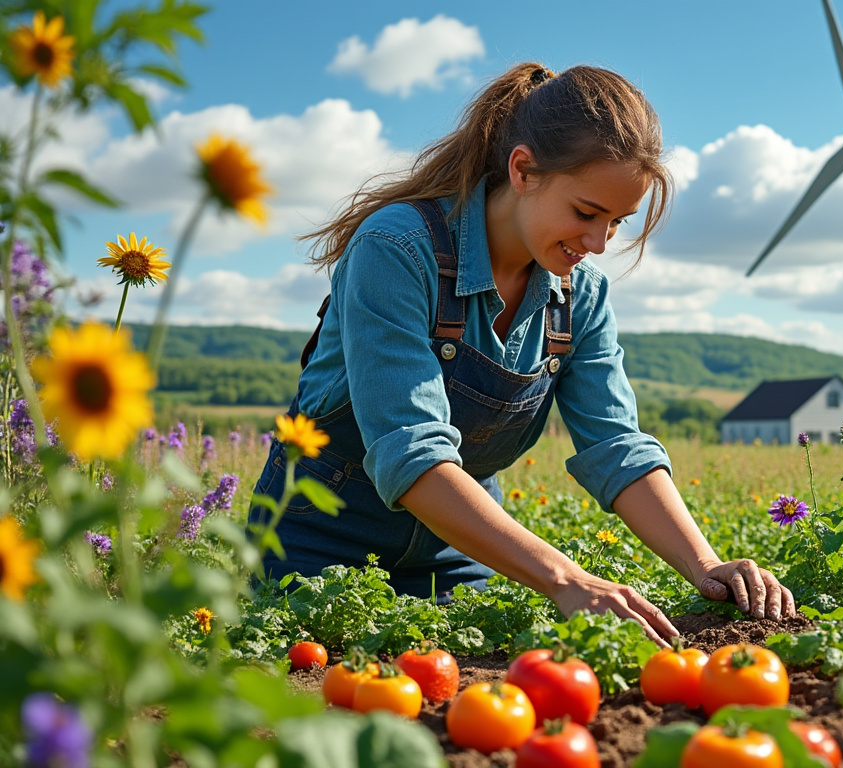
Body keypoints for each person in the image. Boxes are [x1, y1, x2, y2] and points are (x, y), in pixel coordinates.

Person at [247, 62, 794, 643]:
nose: (598, 244)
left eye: (617, 222)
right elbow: (410, 451)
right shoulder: (396, 249)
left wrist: (705, 566)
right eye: (586, 213)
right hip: (317, 554)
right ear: (523, 169)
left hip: (458, 557)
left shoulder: (581, 295)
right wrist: (565, 579)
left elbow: (616, 445)